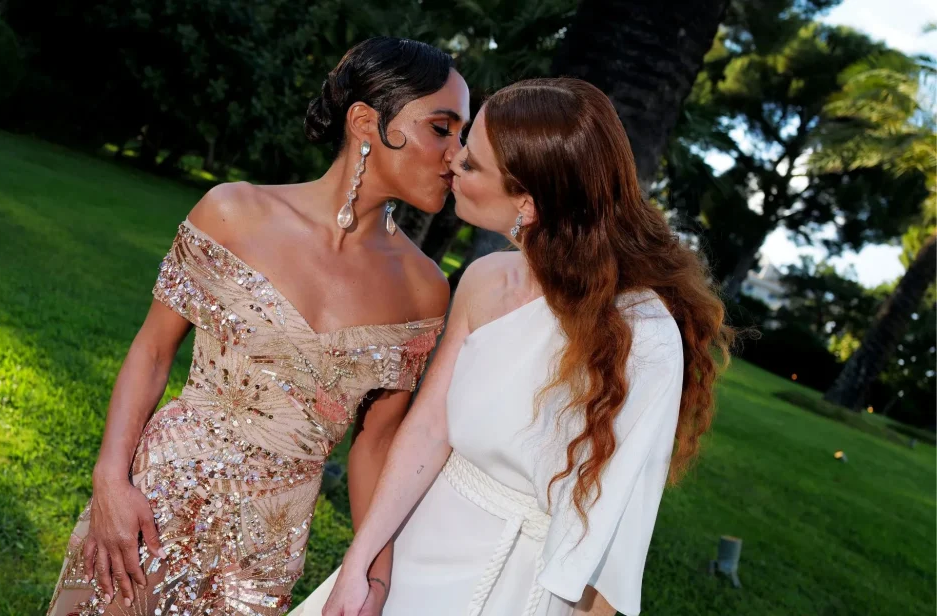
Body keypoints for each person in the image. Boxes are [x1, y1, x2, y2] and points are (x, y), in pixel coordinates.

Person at [46, 37, 470, 616]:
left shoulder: (425, 288)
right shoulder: (234, 212)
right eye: (442, 128)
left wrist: (375, 575)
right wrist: (109, 481)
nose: (457, 155)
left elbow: (375, 442)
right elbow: (152, 351)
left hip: (267, 546)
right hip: (152, 504)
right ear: (366, 122)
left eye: (463, 135)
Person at [310, 78, 733, 616]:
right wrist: (361, 560)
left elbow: (620, 538)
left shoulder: (643, 335)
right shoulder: (484, 279)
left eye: (473, 164)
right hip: (423, 540)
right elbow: (428, 430)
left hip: (521, 586)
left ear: (528, 206)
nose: (452, 163)